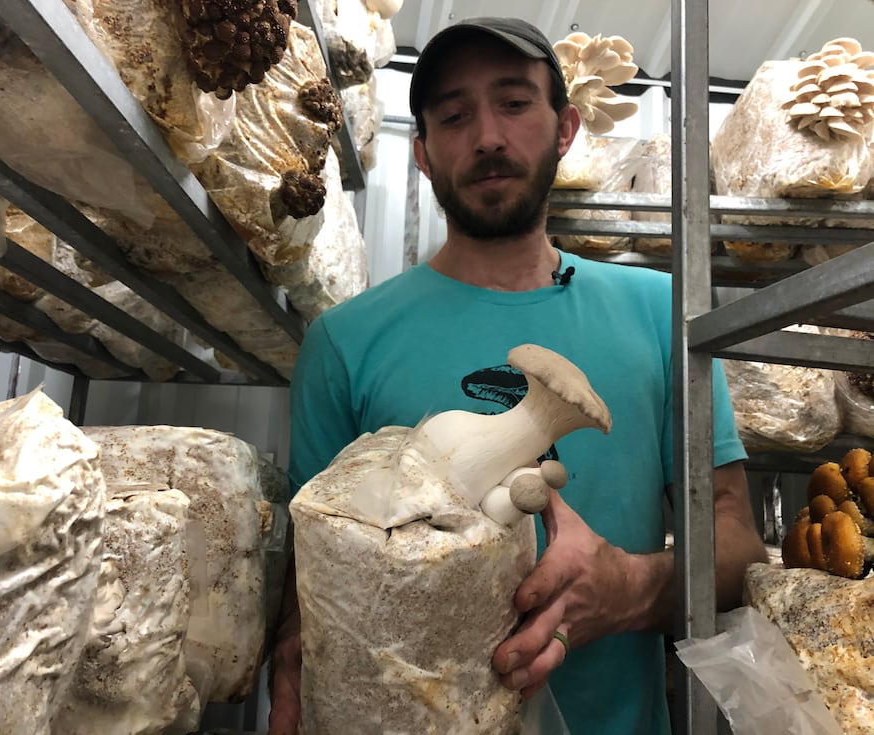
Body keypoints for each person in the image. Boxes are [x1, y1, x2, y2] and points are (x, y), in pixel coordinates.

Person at [269, 16, 768, 735]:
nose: (488, 137)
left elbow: (739, 544)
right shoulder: (344, 342)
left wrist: (628, 587)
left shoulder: (662, 315)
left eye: (513, 102)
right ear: (422, 152)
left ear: (564, 128)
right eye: (454, 114)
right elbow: (307, 570)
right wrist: (294, 649)